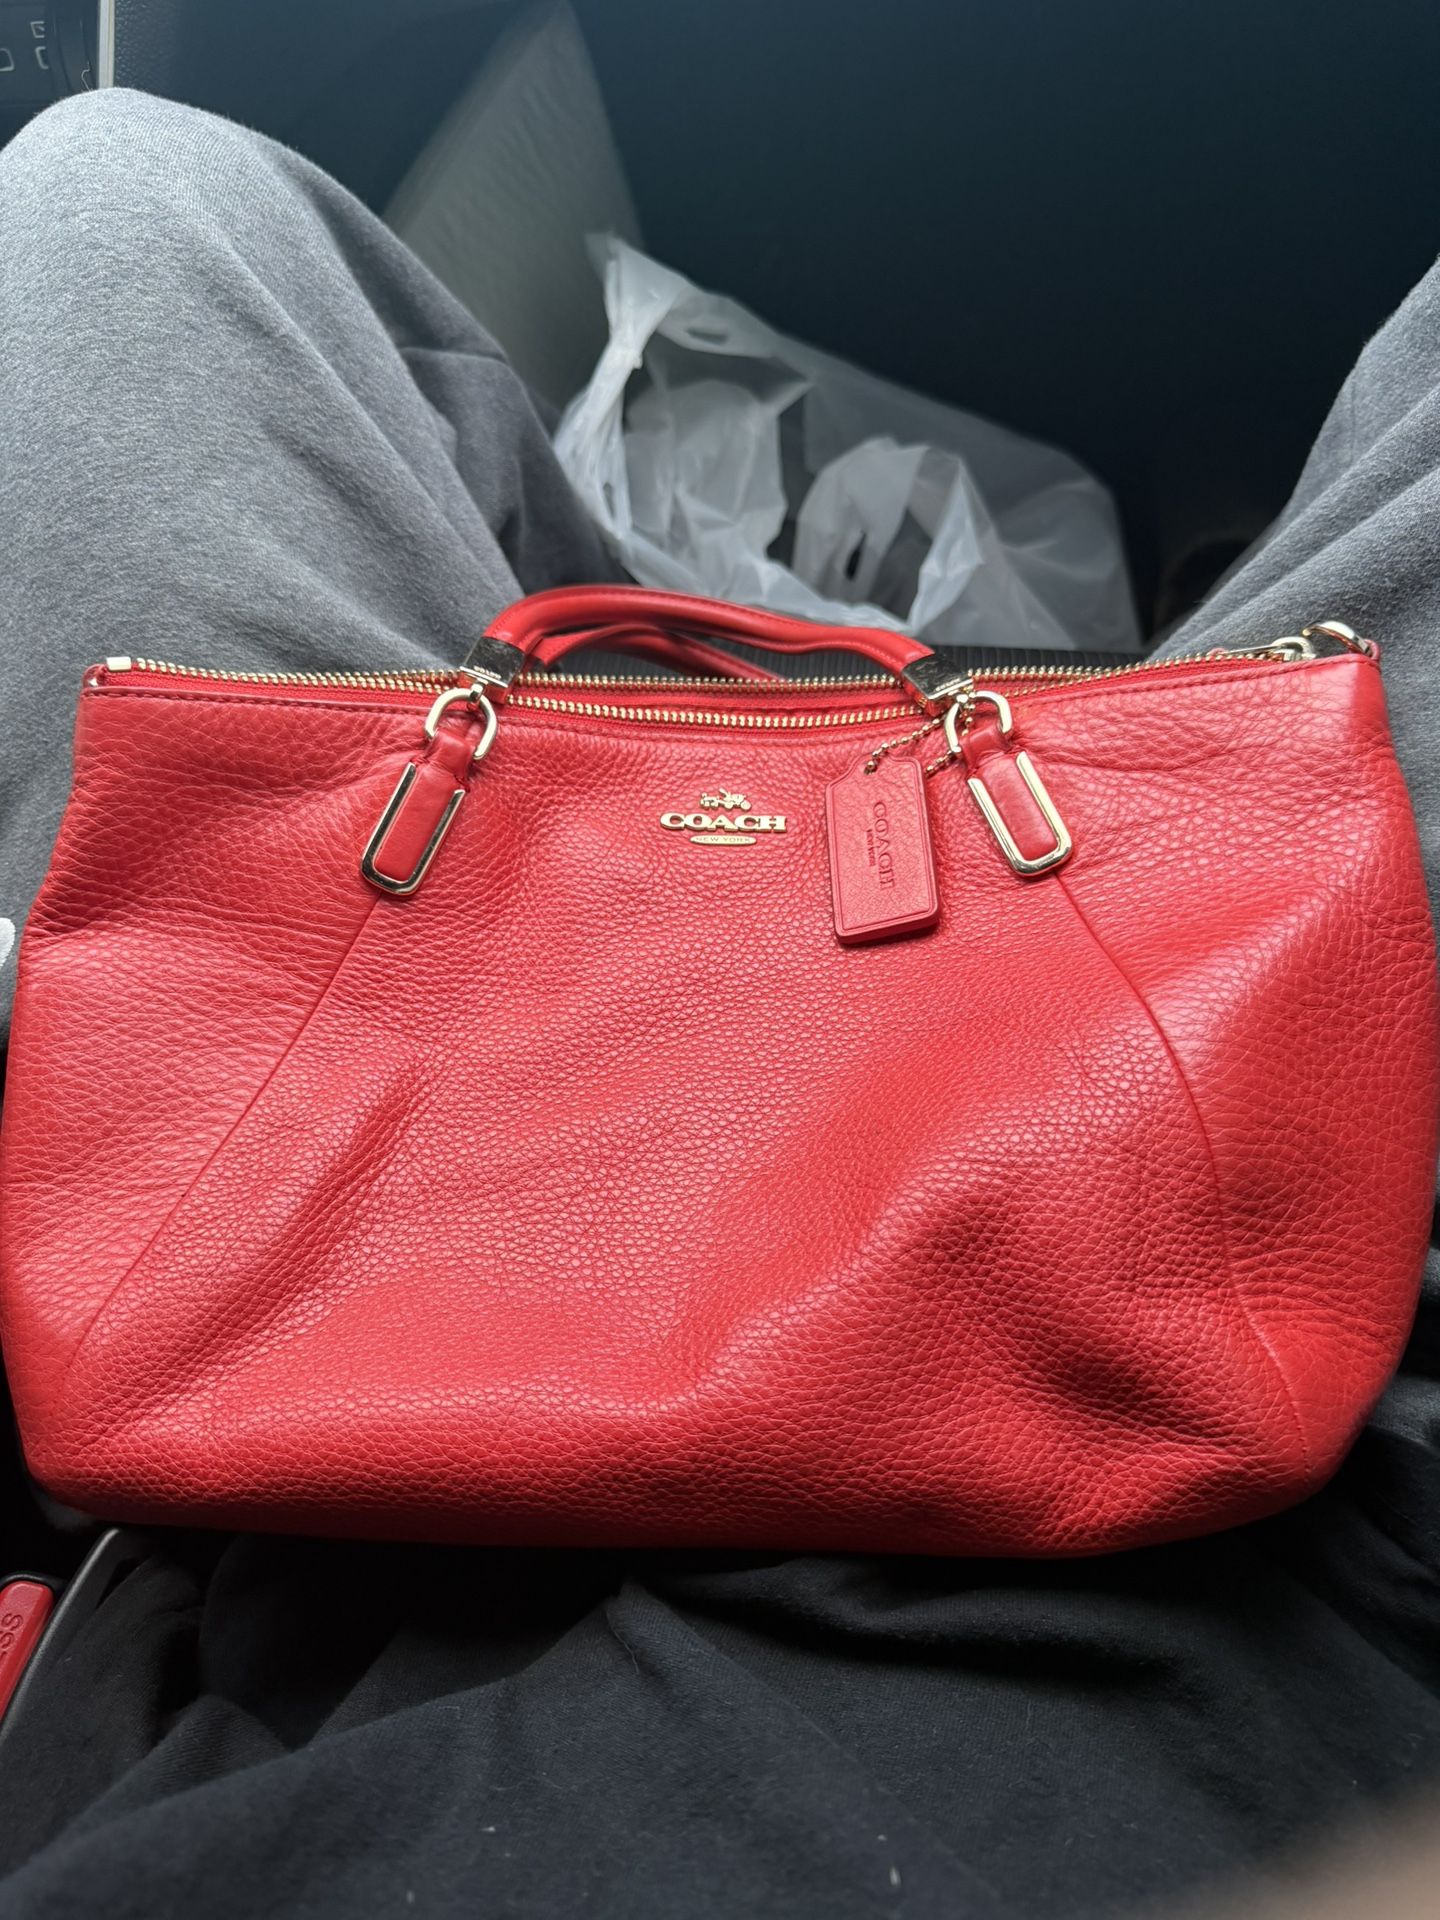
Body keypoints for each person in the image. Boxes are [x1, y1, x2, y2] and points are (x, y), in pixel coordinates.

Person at [1, 89, 1438, 1920]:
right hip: (1220, 1545)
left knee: (118, 194)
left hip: (311, 1520)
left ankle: (661, 743)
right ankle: (737, 752)